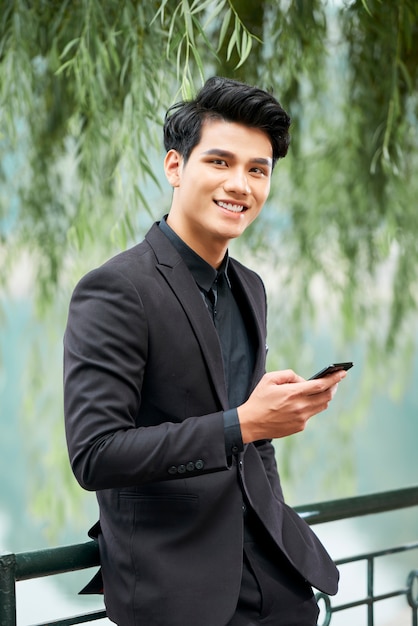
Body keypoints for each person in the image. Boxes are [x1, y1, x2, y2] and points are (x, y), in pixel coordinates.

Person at [63, 76, 347, 626]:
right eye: (219, 162)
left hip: (278, 579)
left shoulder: (250, 285)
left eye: (257, 170)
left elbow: (256, 443)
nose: (240, 184)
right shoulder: (116, 289)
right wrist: (240, 423)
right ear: (175, 167)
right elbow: (96, 454)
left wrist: (263, 426)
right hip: (179, 591)